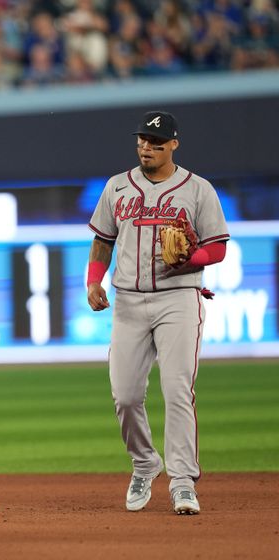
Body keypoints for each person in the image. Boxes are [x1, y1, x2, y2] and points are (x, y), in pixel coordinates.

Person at [86, 111, 230, 515]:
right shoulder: (117, 187)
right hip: (128, 302)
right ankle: (146, 462)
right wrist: (94, 282)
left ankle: (183, 481)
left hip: (178, 299)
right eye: (142, 141)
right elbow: (102, 241)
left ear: (173, 145)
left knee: (177, 389)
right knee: (126, 395)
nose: (146, 148)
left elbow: (217, 247)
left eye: (155, 143)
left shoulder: (198, 189)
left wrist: (192, 258)